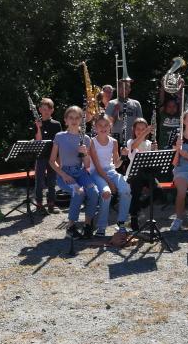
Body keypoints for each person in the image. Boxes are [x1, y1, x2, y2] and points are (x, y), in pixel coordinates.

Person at [49, 106, 99, 239]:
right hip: (65, 173)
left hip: (81, 173)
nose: (74, 120)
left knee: (94, 192)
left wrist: (85, 154)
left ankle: (88, 225)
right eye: (71, 117)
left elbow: (87, 165)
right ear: (65, 120)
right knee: (79, 192)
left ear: (82, 121)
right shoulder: (59, 137)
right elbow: (52, 161)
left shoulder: (86, 138)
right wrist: (63, 175)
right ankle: (71, 227)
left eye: (77, 117)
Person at [89, 114, 131, 236]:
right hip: (97, 173)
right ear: (95, 127)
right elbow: (97, 166)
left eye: (106, 125)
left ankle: (122, 223)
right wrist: (110, 182)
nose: (103, 128)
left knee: (126, 189)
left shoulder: (114, 142)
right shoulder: (92, 142)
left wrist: (123, 156)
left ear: (110, 126)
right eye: (100, 125)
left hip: (110, 171)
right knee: (106, 193)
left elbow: (116, 165)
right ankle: (101, 226)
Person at [124, 118, 159, 230]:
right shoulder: (130, 142)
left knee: (159, 191)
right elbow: (134, 146)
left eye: (143, 129)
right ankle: (134, 218)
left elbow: (154, 161)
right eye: (138, 129)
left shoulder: (149, 143)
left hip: (147, 173)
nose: (140, 131)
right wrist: (145, 132)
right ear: (133, 130)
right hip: (134, 173)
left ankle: (138, 206)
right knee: (136, 192)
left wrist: (155, 151)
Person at [34, 98, 62, 214]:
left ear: (52, 110)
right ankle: (39, 205)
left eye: (48, 109)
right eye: (44, 109)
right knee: (39, 181)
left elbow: (59, 142)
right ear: (40, 110)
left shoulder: (56, 124)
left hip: (53, 156)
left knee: (52, 181)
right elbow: (38, 140)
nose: (46, 112)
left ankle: (51, 203)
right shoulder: (36, 123)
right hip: (40, 156)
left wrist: (59, 159)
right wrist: (38, 127)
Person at [105, 80, 143, 146]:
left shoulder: (136, 104)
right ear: (117, 89)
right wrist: (115, 112)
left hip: (132, 139)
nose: (123, 90)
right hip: (116, 139)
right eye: (121, 87)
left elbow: (141, 124)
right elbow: (107, 124)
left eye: (126, 88)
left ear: (130, 89)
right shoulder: (111, 103)